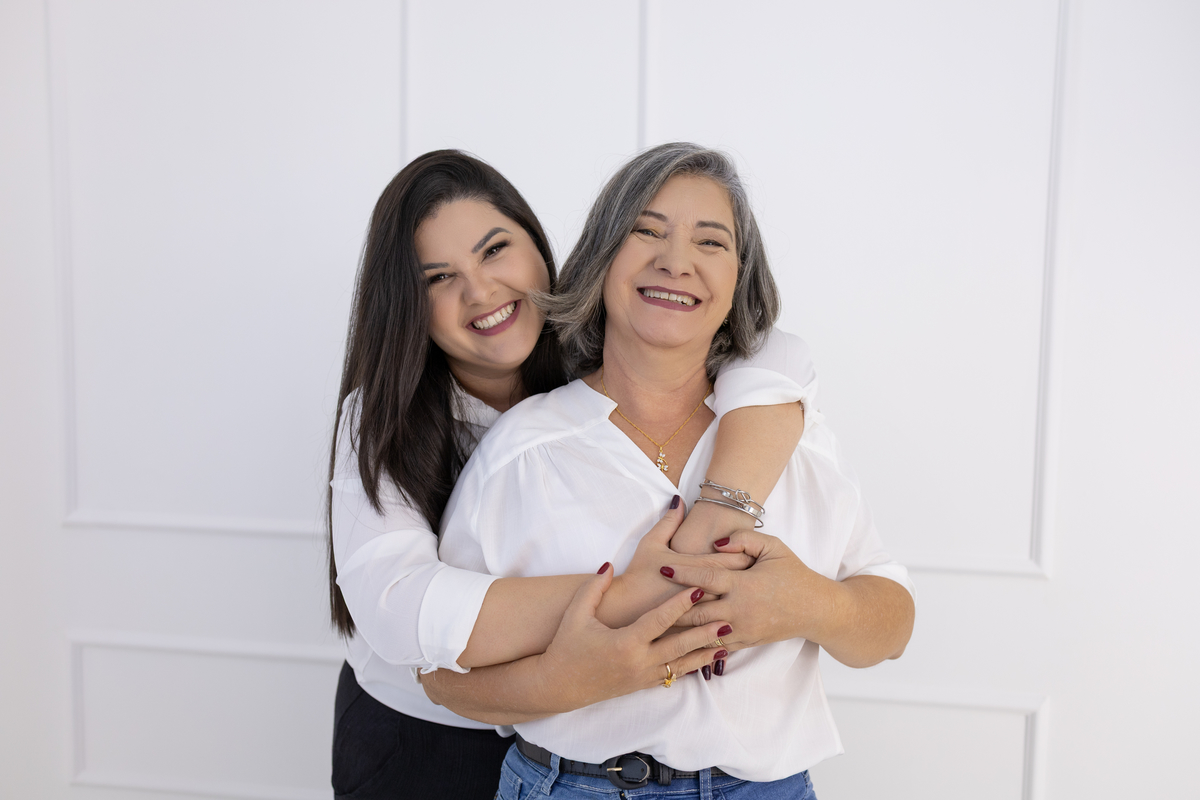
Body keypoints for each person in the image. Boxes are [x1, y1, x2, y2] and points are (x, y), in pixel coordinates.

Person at [327, 150, 820, 799]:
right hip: (424, 742)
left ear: (543, 247)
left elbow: (774, 354)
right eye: (439, 278)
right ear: (406, 306)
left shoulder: (608, 349)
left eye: (495, 250)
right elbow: (397, 611)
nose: (481, 291)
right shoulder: (382, 412)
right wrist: (645, 591)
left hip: (574, 754)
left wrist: (717, 516)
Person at [434, 143, 917, 799]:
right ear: (602, 260)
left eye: (710, 241)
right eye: (647, 232)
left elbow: (891, 624)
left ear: (739, 281)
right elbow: (445, 676)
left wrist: (808, 603)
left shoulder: (793, 433)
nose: (676, 260)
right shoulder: (522, 451)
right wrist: (577, 675)